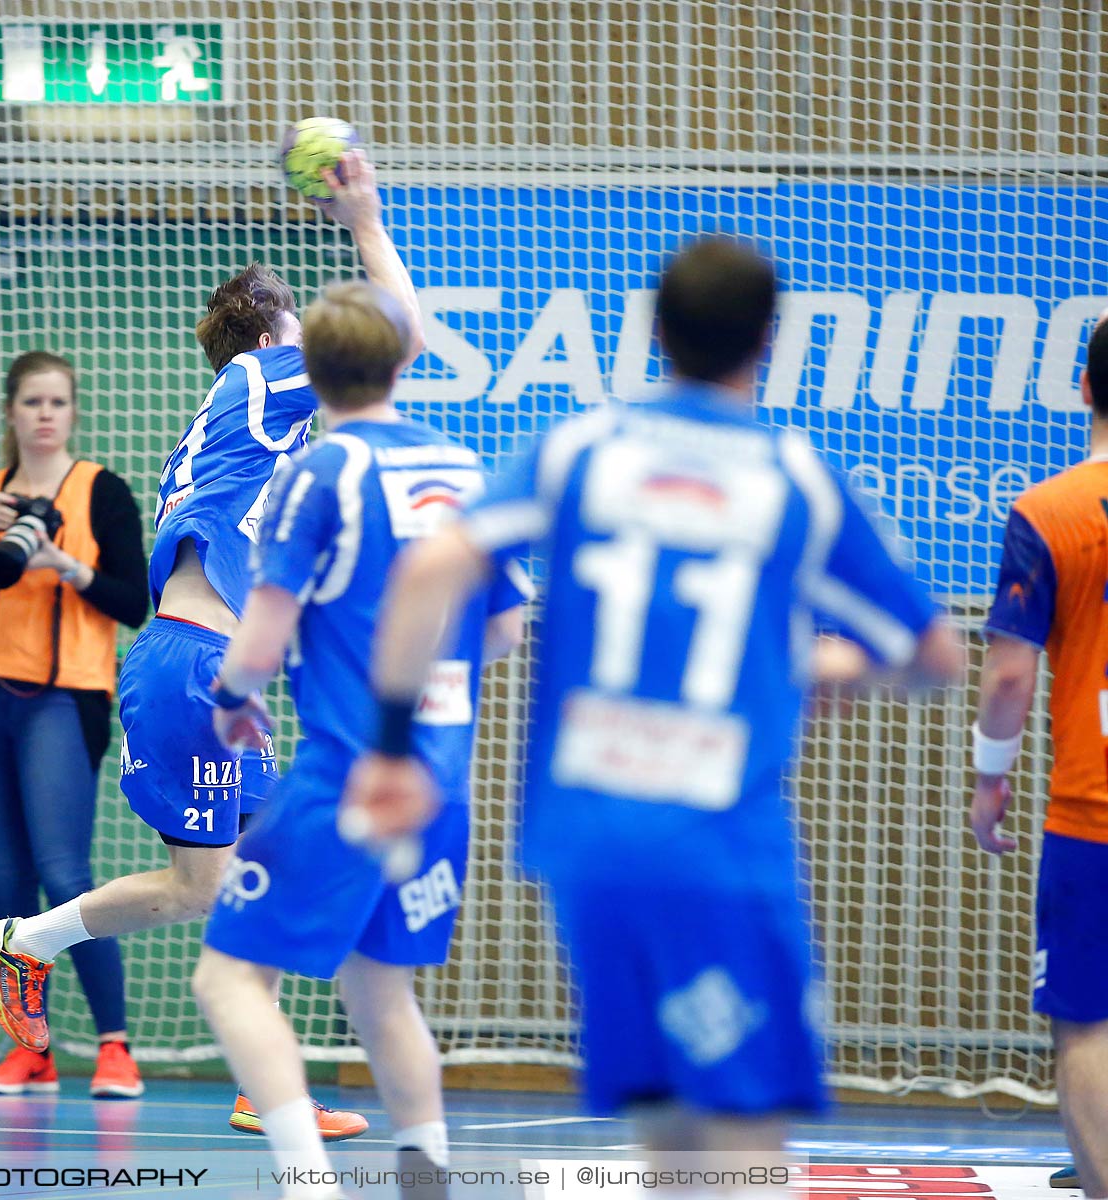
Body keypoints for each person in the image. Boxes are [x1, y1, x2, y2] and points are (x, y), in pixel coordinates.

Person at [347, 239, 964, 1186]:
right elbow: (934, 656)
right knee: (749, 1143)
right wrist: (828, 664)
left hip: (587, 842)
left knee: (669, 1135)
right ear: (768, 339)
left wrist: (390, 749)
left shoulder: (581, 449)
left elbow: (432, 569)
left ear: (654, 331)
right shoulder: (793, 477)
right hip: (716, 845)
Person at [0, 148, 421, 1139]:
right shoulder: (266, 381)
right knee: (206, 887)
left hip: (212, 666)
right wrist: (364, 218)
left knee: (242, 870)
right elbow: (401, 334)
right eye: (302, 322)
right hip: (192, 665)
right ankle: (27, 946)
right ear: (272, 334)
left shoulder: (248, 417)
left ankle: (259, 1082)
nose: (316, 335)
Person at [190, 280, 526, 1200]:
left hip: (347, 772)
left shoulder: (318, 473)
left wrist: (232, 697)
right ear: (395, 360)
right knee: (382, 993)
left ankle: (309, 1184)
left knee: (227, 981)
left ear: (313, 373)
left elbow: (259, 631)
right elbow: (503, 629)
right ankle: (428, 1179)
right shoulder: (461, 469)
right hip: (441, 781)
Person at [0, 350, 150, 1098]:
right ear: (11, 413)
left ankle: (115, 1047)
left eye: (58, 401)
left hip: (63, 697)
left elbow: (134, 602)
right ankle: (31, 1051)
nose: (46, 414)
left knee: (64, 874)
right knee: (6, 878)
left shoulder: (101, 490)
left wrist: (59, 558)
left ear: (73, 412)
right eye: (32, 402)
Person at [969, 312, 1108, 1198]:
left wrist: (990, 780)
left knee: (1088, 1025)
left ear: (1085, 388)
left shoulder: (1049, 512)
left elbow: (1010, 676)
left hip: (1093, 813)